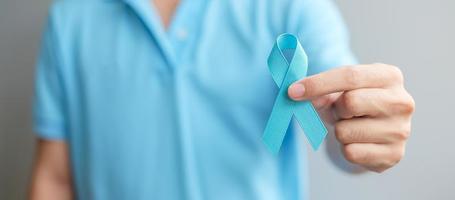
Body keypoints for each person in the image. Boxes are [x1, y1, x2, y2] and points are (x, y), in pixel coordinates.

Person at [29, 0, 415, 199]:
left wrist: (364, 129)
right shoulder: (71, 17)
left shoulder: (287, 5)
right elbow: (55, 175)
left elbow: (337, 115)